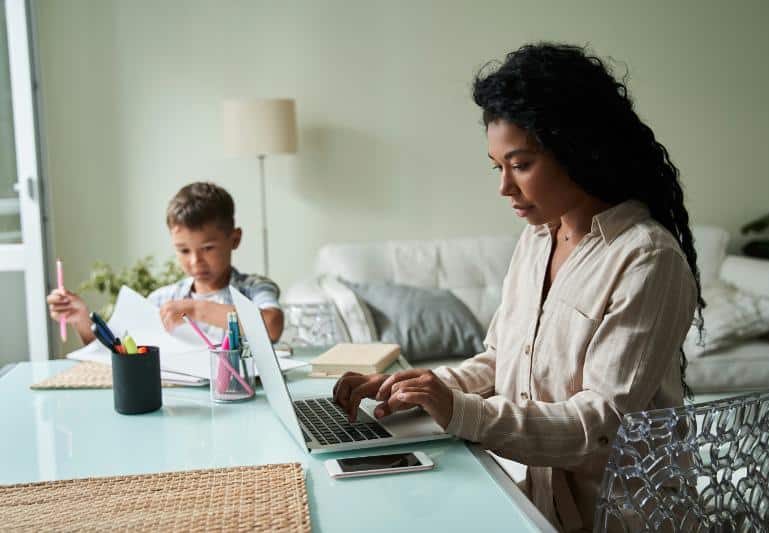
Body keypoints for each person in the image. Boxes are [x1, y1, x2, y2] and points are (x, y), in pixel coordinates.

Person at [332, 43, 704, 531]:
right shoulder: (536, 240)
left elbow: (599, 425)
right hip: (535, 503)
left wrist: (461, 412)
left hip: (618, 518)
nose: (504, 187)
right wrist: (420, 389)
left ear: (578, 149)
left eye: (521, 164)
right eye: (497, 166)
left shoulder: (647, 259)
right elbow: (500, 359)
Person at [47, 181, 284, 344]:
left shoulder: (254, 288)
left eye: (208, 248)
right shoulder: (163, 300)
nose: (195, 261)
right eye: (183, 250)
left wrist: (195, 309)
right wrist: (80, 319)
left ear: (234, 239)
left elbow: (272, 326)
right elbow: (116, 350)